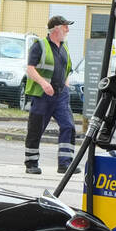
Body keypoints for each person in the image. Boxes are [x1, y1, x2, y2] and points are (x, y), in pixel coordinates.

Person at [22, 15, 76, 174]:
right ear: (56, 29)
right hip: (42, 96)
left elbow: (67, 69)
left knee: (68, 126)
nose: (67, 30)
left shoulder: (64, 47)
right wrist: (44, 84)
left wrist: (66, 87)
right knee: (36, 129)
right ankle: (31, 164)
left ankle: (65, 164)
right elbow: (30, 68)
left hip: (61, 96)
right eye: (65, 27)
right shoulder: (39, 45)